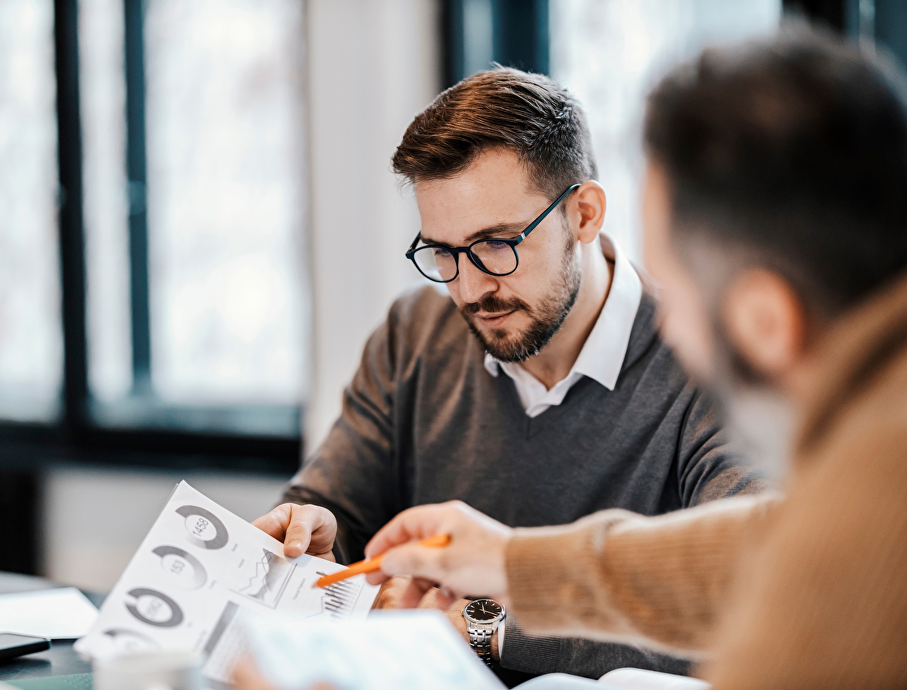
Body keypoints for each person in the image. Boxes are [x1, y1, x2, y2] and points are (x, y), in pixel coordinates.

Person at [362, 26, 907, 689]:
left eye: (676, 297)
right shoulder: (873, 436)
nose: (666, 329)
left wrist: (493, 612)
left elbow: (776, 593)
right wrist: (512, 563)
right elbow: (759, 548)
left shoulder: (877, 496)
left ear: (767, 320)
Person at [251, 68, 765, 679]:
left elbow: (754, 602)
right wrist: (313, 537)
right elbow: (331, 513)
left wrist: (489, 629)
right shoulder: (415, 333)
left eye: (497, 244)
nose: (469, 289)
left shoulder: (707, 361)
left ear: (584, 214)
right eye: (442, 251)